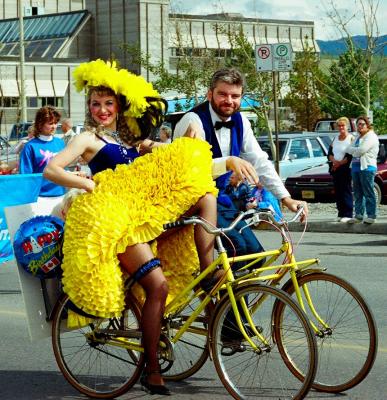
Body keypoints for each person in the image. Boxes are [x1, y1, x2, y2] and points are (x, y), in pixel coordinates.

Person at [44, 59, 218, 396]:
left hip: (139, 216)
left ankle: (208, 270)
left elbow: (155, 168)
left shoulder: (126, 141)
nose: (102, 109)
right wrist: (90, 185)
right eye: (96, 103)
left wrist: (174, 145)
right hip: (115, 225)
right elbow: (51, 170)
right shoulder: (86, 139)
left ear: (119, 106)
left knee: (205, 195)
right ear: (89, 107)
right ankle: (151, 370)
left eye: (108, 103)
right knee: (158, 286)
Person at [174, 68, 307, 254]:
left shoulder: (241, 121)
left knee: (255, 254)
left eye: (235, 96)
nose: (229, 100)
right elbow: (192, 169)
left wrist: (285, 198)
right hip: (195, 200)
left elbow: (259, 160)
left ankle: (239, 283)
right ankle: (217, 283)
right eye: (222, 94)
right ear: (210, 93)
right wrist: (228, 161)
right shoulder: (192, 121)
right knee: (238, 250)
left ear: (241, 97)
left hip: (223, 199)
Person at [19, 106, 66, 204]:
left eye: (55, 123)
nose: (54, 126)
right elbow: (25, 176)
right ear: (40, 124)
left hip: (61, 194)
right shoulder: (30, 146)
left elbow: (64, 169)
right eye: (50, 123)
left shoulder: (60, 143)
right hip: (40, 197)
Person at [346, 116, 379, 224]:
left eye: (362, 124)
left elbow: (362, 150)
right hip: (355, 167)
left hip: (367, 167)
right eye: (358, 124)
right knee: (357, 193)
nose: (360, 126)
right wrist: (356, 151)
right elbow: (348, 149)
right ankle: (358, 215)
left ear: (367, 125)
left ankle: (371, 215)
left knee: (368, 192)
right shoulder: (357, 137)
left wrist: (355, 151)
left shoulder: (371, 136)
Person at [327, 116, 354, 222]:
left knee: (346, 190)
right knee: (338, 191)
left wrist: (339, 163)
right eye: (339, 126)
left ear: (347, 126)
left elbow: (349, 156)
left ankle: (348, 213)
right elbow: (329, 153)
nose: (341, 127)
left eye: (343, 125)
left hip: (345, 169)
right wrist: (334, 161)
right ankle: (340, 212)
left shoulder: (351, 138)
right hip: (335, 169)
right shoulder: (335, 138)